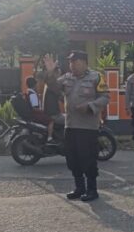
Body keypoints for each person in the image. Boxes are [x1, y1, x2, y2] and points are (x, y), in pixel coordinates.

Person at [43, 51, 108, 202]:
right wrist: (50, 72)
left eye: (75, 62)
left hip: (88, 127)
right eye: (70, 62)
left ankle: (92, 190)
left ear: (84, 62)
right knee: (72, 159)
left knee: (88, 159)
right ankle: (80, 188)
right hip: (70, 125)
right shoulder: (67, 77)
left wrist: (90, 106)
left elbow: (105, 97)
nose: (72, 65)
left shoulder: (96, 77)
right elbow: (53, 87)